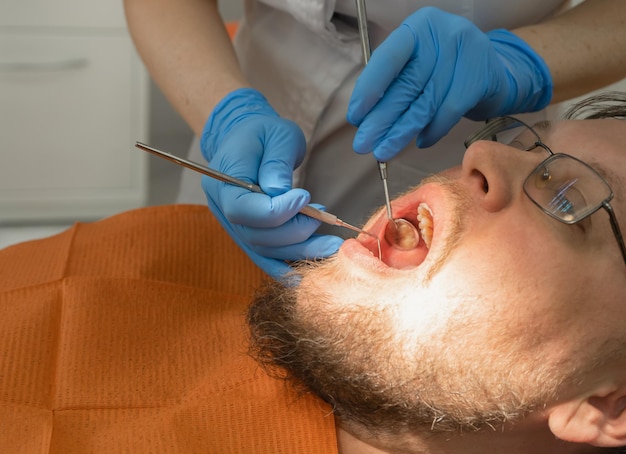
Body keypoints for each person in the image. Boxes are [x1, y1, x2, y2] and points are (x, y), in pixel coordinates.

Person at [0, 92, 625, 452]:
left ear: (613, 405)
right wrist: (225, 101)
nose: (482, 151)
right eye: (527, 141)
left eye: (572, 203)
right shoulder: (168, 249)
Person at [124, 0, 626, 279]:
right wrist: (225, 113)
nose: (487, 162)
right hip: (249, 86)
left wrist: (524, 60)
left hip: (470, 108)